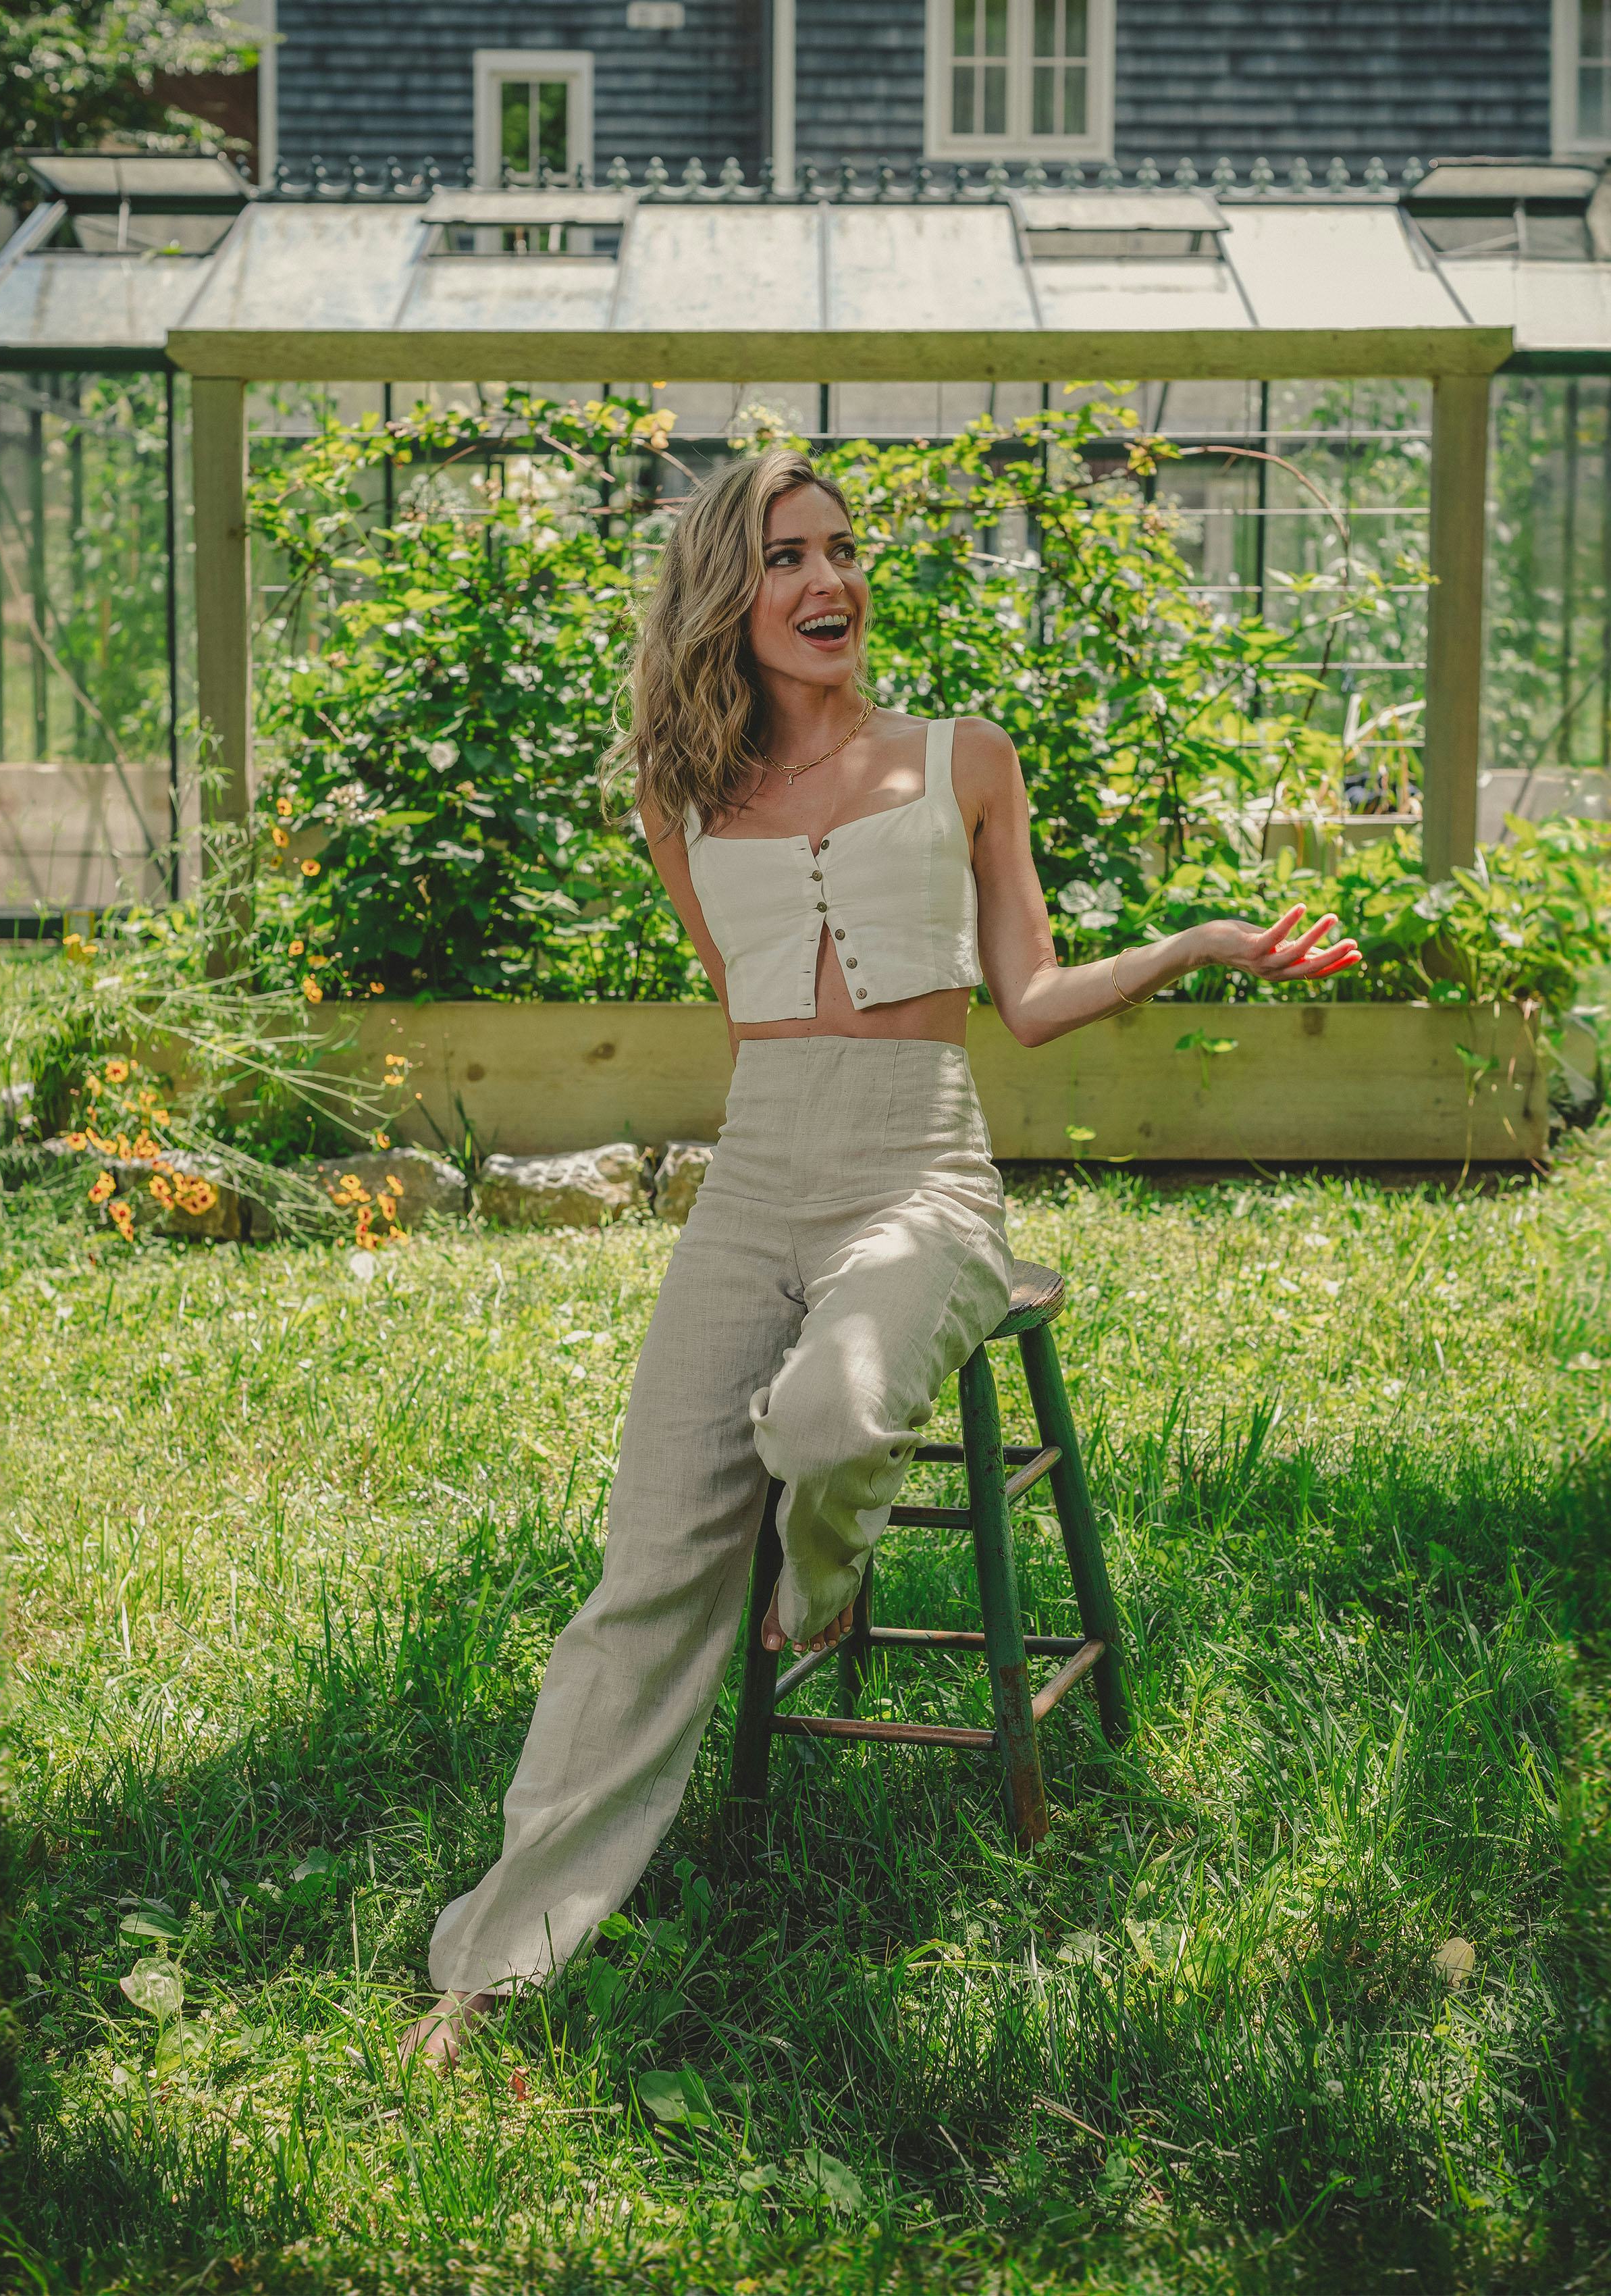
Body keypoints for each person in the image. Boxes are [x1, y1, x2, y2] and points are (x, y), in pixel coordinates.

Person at [401, 446, 1360, 2066]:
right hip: (757, 1173)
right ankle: (501, 1956)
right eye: (789, 557)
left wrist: (1206, 942)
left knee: (836, 1415)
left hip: (924, 1172)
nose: (831, 580)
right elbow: (740, 987)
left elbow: (1031, 996)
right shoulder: (681, 791)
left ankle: (822, 1581)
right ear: (729, 590)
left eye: (844, 550)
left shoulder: (963, 757)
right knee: (643, 1577)